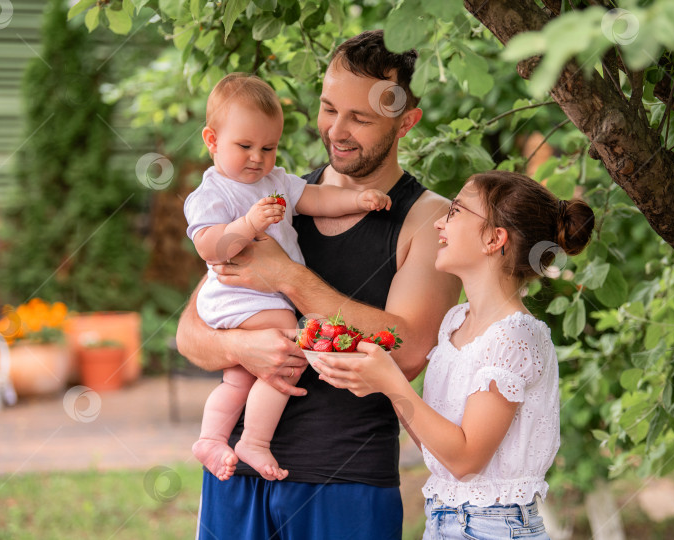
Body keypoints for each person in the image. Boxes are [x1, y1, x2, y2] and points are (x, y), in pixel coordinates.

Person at [176, 30, 462, 539]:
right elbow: (190, 334)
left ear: (406, 123)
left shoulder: (428, 219)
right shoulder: (263, 193)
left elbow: (410, 347)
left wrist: (287, 276)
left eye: (361, 118)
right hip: (235, 472)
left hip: (344, 480)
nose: (337, 130)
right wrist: (244, 346)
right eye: (330, 108)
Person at [317, 171, 595, 539]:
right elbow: (441, 451)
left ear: (495, 239)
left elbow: (466, 461)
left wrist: (391, 381)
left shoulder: (515, 337)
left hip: (495, 528)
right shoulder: (454, 323)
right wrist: (377, 378)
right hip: (445, 522)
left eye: (456, 212)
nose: (438, 223)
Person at [184, 73, 392, 483]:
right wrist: (247, 224)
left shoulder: (275, 181)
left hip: (261, 298)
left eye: (269, 147)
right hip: (237, 298)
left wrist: (356, 199)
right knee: (288, 345)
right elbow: (211, 248)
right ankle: (255, 442)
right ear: (211, 140)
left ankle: (211, 438)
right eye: (244, 146)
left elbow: (315, 198)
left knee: (239, 377)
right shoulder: (212, 193)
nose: (258, 158)